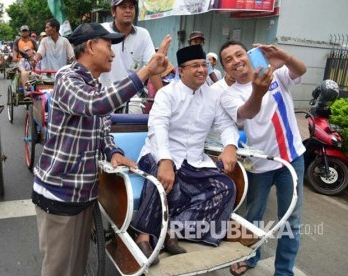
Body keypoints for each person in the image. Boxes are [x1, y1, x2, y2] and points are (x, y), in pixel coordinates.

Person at [32, 22, 171, 275]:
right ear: (90, 46)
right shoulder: (67, 77)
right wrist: (147, 70)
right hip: (60, 193)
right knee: (59, 268)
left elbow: (103, 131)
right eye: (108, 45)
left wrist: (114, 152)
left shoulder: (94, 84)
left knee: (76, 266)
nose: (113, 53)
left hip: (84, 194)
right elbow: (96, 105)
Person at [131, 44, 239, 264]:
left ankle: (172, 230)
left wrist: (230, 146)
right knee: (162, 176)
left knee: (225, 188)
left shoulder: (214, 96)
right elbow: (158, 126)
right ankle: (142, 235)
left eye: (204, 65)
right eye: (195, 66)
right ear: (181, 71)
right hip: (158, 154)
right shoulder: (167, 94)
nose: (202, 70)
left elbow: (227, 125)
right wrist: (166, 160)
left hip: (194, 162)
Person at [218, 41, 307, 276]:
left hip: (292, 159)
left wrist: (284, 56)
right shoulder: (229, 95)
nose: (236, 61)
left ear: (248, 56)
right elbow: (247, 113)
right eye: (229, 59)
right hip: (259, 164)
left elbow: (301, 70)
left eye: (239, 54)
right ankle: (250, 256)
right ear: (225, 70)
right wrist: (259, 91)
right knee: (252, 216)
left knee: (291, 221)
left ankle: (284, 272)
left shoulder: (274, 73)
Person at [99, 0, 164, 114]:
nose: (128, 10)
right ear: (113, 11)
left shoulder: (143, 34)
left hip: (133, 98)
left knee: (134, 127)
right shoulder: (102, 31)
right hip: (105, 95)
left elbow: (152, 68)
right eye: (123, 7)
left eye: (131, 7)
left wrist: (164, 98)